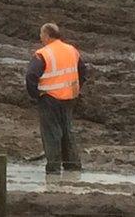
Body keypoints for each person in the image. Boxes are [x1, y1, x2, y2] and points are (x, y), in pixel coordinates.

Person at [25, 22, 88, 174]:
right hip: (69, 98)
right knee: (67, 132)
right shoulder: (72, 50)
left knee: (52, 133)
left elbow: (31, 76)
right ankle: (72, 166)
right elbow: (83, 71)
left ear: (47, 35)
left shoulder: (43, 54)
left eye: (41, 35)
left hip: (50, 98)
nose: (40, 38)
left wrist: (35, 94)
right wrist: (75, 88)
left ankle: (53, 169)